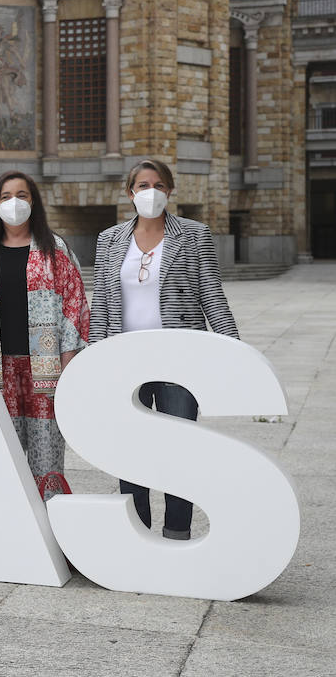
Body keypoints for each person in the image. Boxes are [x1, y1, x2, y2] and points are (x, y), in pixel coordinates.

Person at [89, 159, 239, 541]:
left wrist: (235, 353)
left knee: (179, 449)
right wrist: (95, 360)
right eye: (142, 185)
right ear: (130, 192)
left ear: (169, 191)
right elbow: (103, 304)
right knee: (131, 450)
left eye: (157, 184)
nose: (149, 191)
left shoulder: (194, 235)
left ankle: (176, 531)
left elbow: (212, 296)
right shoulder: (109, 239)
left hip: (177, 359)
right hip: (124, 361)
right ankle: (136, 531)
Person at [0, 171, 89, 498]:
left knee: (47, 458)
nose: (14, 203)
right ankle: (12, 532)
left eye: (22, 195)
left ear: (34, 202)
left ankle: (52, 529)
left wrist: (68, 358)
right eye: (5, 196)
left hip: (45, 371)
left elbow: (75, 302)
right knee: (3, 454)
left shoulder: (53, 248)